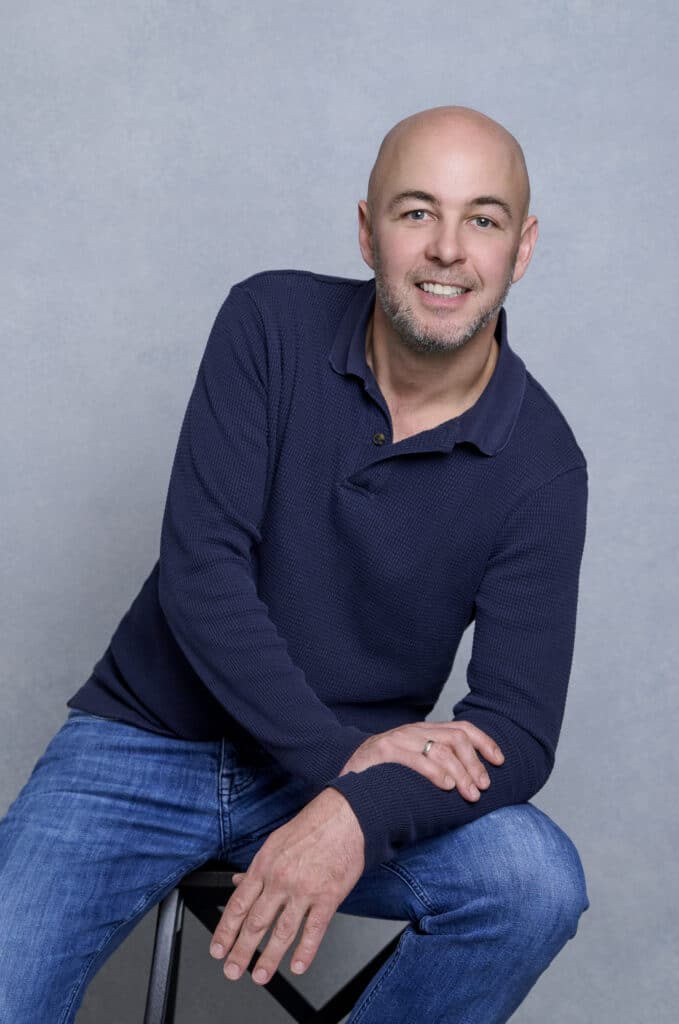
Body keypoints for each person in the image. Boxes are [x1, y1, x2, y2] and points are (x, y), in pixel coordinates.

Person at [0, 105, 589, 1023]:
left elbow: (515, 726)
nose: (446, 248)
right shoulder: (269, 321)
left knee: (533, 883)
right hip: (144, 744)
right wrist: (338, 758)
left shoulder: (544, 467)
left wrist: (356, 806)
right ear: (366, 230)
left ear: (521, 248)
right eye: (416, 211)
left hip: (346, 776)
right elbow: (202, 573)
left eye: (482, 218)